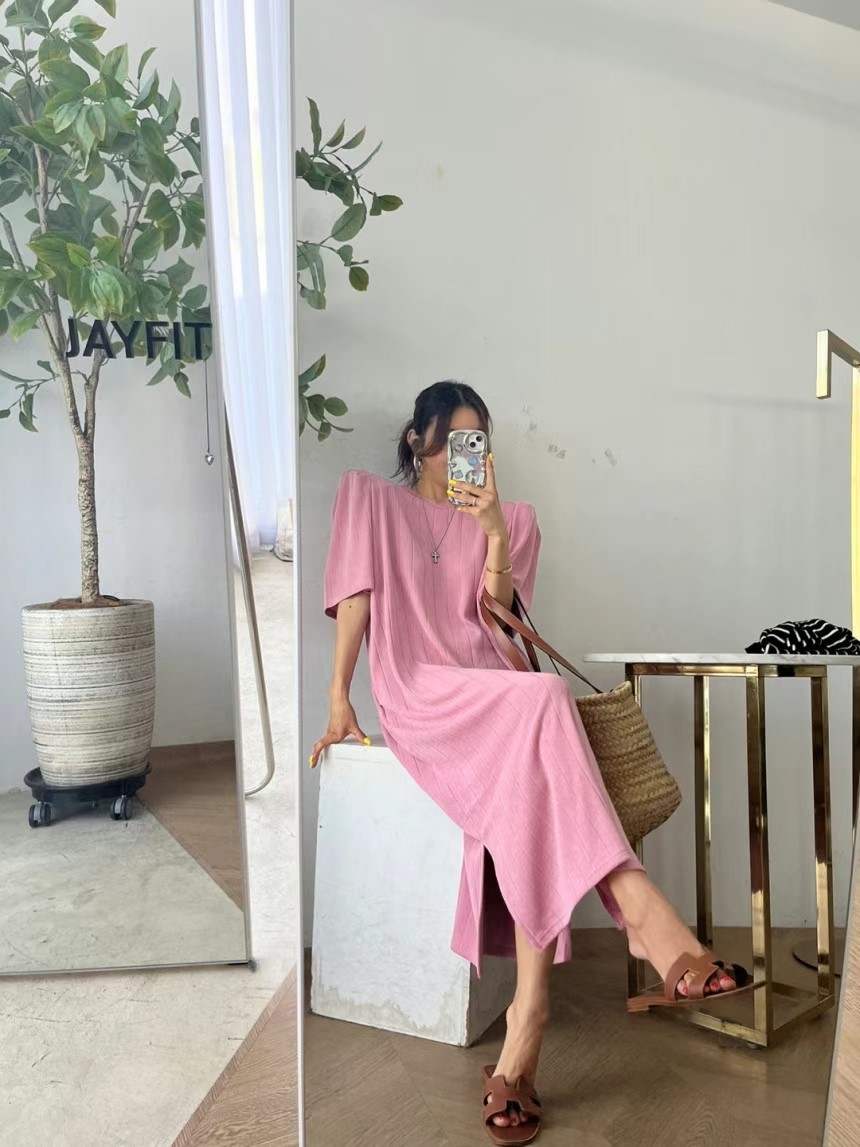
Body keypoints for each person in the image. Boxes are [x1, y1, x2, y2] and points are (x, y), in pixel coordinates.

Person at [310, 381, 754, 1144]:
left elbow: (500, 628)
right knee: (544, 697)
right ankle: (643, 919)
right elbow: (357, 600)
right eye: (452, 440)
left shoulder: (513, 519)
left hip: (499, 693)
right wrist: (338, 699)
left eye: (478, 441)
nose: (465, 454)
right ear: (417, 439)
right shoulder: (367, 500)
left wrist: (492, 535)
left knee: (532, 741)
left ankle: (527, 1027)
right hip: (421, 692)